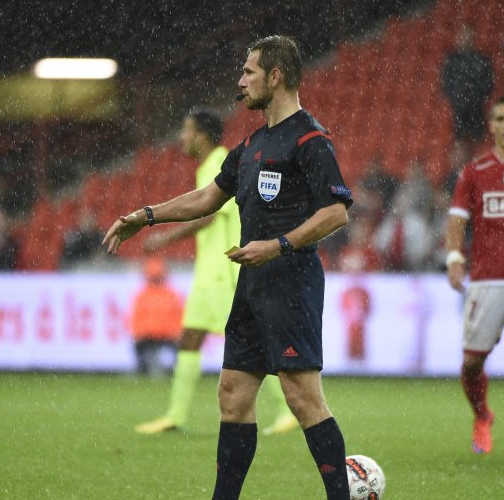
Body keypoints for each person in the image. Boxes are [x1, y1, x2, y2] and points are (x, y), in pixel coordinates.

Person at [104, 35, 353, 499]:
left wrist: (278, 245)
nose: (240, 82)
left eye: (248, 72)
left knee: (303, 399)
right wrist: (145, 215)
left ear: (275, 77)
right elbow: (206, 198)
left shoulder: (310, 138)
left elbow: (337, 211)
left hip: (291, 283)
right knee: (233, 395)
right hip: (252, 285)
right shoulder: (254, 143)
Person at [134, 108, 297, 436]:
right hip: (209, 273)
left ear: (202, 135)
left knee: (256, 340)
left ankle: (291, 408)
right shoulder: (210, 164)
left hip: (225, 271)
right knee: (190, 340)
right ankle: (175, 415)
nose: (182, 137)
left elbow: (209, 212)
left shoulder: (221, 162)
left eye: (186, 130)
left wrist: (164, 235)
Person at [445, 94, 504, 455]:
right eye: (499, 119)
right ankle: (482, 415)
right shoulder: (475, 171)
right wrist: (454, 257)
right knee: (471, 364)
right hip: (487, 279)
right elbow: (456, 219)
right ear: (491, 125)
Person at [440, 25, 494, 155]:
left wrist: (474, 97)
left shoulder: (481, 59)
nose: (465, 39)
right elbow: (445, 85)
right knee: (459, 140)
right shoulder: (451, 60)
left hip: (477, 108)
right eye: (463, 36)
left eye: (468, 36)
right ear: (458, 38)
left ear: (473, 37)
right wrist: (458, 97)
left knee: (480, 142)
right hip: (458, 109)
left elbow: (488, 85)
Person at [128, 256, 183, 376]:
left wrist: (175, 334)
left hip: (166, 336)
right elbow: (136, 319)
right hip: (149, 336)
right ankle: (144, 370)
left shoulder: (169, 294)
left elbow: (178, 317)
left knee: (179, 349)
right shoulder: (144, 295)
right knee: (140, 347)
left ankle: (169, 371)